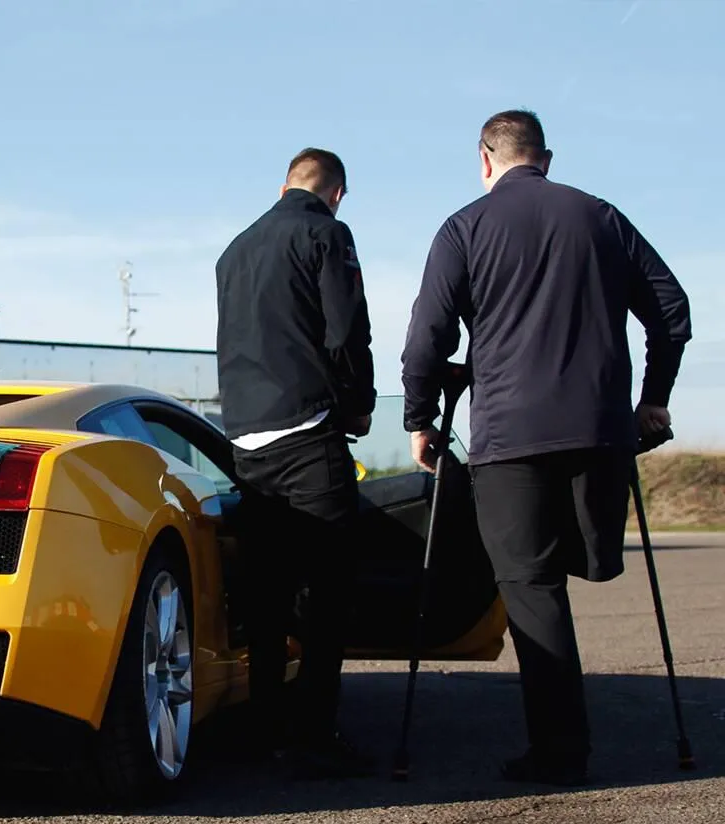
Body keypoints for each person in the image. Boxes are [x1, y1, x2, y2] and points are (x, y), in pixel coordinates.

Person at [401, 109, 691, 786]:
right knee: (573, 568)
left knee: (532, 588)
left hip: (510, 440)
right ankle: (569, 737)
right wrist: (653, 399)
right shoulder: (601, 216)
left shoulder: (465, 227)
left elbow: (426, 339)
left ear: (484, 159)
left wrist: (421, 418)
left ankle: (561, 751)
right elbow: (671, 311)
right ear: (546, 158)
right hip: (601, 434)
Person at [215, 147, 376, 778]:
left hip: (246, 440)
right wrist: (358, 405)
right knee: (329, 593)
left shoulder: (233, 251)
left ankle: (264, 730)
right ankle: (314, 734)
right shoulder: (326, 233)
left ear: (284, 186)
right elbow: (346, 330)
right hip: (309, 433)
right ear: (336, 193)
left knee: (268, 595)